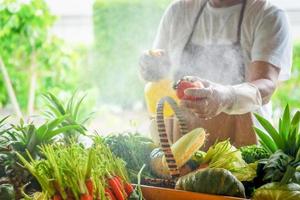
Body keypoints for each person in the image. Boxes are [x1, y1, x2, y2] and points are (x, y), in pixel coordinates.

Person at [139, 0, 292, 149]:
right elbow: (159, 75)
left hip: (244, 149)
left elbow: (265, 83)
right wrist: (150, 67)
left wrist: (225, 97)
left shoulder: (267, 15)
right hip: (180, 149)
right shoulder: (179, 11)